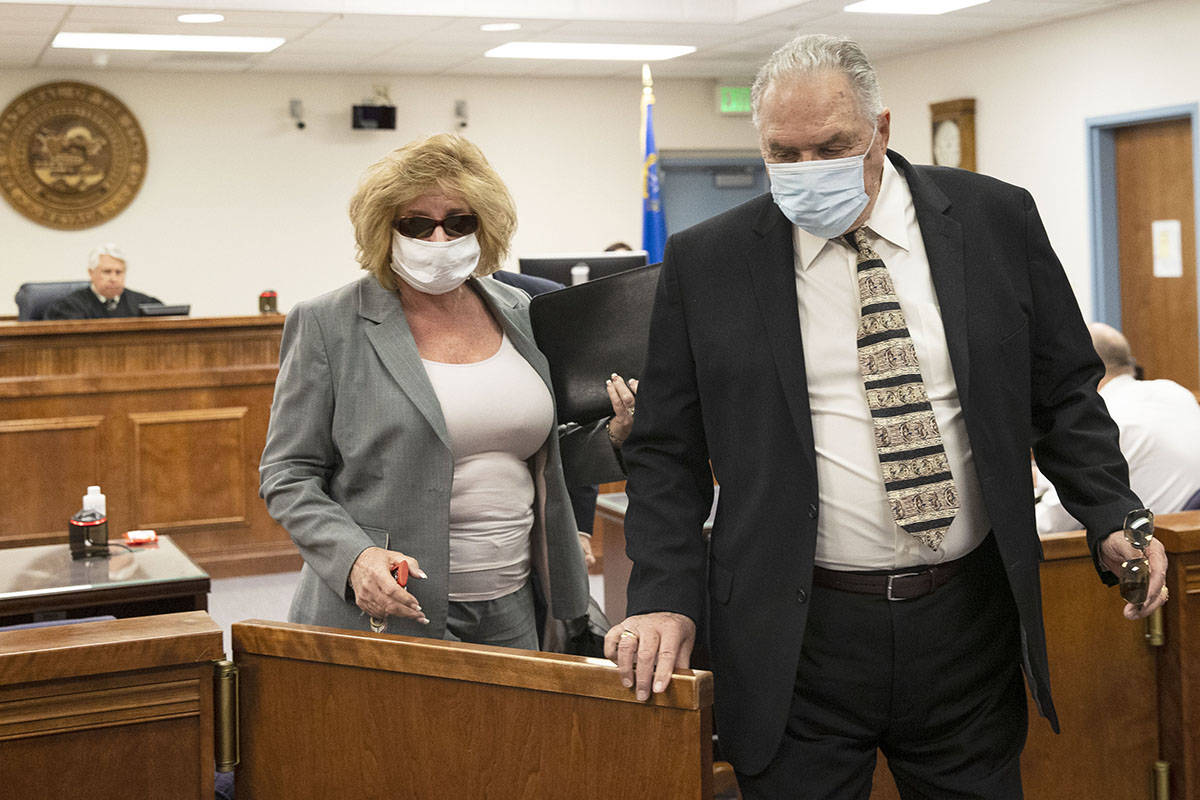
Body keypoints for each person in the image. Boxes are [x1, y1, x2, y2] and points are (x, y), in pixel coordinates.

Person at [604, 33, 1169, 798]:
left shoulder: (995, 220)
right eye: (784, 153)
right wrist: (663, 594)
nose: (808, 172)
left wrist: (1111, 514)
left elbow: (1064, 392)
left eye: (831, 146)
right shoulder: (711, 262)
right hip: (796, 635)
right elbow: (666, 451)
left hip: (966, 621)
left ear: (883, 131)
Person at [260, 133, 612, 651]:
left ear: (484, 226)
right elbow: (287, 474)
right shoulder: (328, 323)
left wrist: (616, 439)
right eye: (418, 224)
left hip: (515, 599)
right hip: (388, 609)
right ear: (386, 229)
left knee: (515, 734)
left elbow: (548, 451)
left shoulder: (519, 310)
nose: (441, 239)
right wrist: (354, 558)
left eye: (460, 221)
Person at [1036, 322, 1200, 532]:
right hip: (1183, 542)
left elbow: (1052, 524)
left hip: (1143, 550)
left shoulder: (1098, 421)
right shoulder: (1174, 392)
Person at [44, 243, 161, 319]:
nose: (113, 279)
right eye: (107, 272)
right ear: (91, 273)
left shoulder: (144, 304)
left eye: (119, 272)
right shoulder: (69, 307)